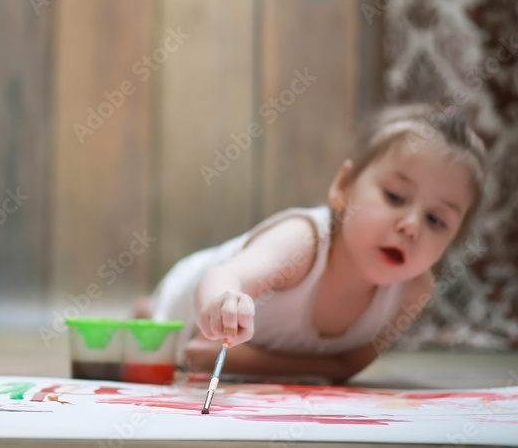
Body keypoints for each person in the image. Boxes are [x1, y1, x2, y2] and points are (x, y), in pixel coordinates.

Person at [136, 103, 485, 383]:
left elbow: (344, 366)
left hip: (224, 351)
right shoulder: (302, 243)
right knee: (149, 324)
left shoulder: (414, 290)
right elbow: (223, 276)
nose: (411, 226)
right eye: (395, 196)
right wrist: (224, 299)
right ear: (344, 187)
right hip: (188, 296)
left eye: (436, 220)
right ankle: (147, 307)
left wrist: (230, 360)